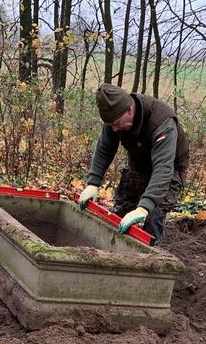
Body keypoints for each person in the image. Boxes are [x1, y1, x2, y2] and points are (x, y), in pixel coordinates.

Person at [77, 83, 189, 244]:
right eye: (111, 125)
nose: (114, 129)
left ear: (129, 109)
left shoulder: (162, 123)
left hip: (170, 170)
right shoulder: (114, 117)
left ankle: (148, 259)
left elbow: (163, 169)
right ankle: (109, 247)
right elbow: (104, 148)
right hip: (139, 163)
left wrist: (144, 208)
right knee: (118, 214)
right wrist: (93, 183)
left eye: (116, 124)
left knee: (153, 216)